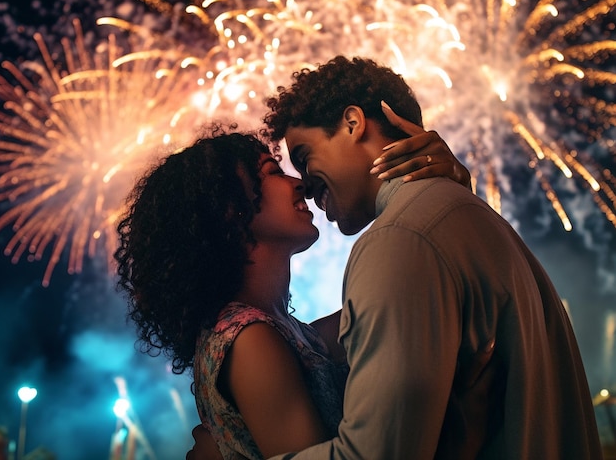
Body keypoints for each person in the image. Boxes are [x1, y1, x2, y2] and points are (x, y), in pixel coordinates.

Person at [255, 56, 603, 459]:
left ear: (353, 123)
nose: (303, 183)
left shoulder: (399, 240)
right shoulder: (470, 216)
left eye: (302, 157)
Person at [114, 124, 469, 459]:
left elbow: (403, 297)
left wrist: (446, 189)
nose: (300, 184)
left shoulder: (290, 334)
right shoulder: (250, 341)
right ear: (229, 210)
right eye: (272, 172)